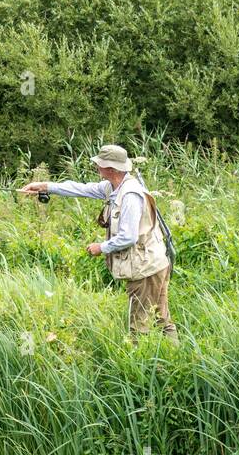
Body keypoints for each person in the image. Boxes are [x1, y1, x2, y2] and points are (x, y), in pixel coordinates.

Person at [19, 144, 177, 339]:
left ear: (110, 169)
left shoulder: (130, 195)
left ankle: (141, 365)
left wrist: (100, 248)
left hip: (145, 270)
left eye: (99, 164)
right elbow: (82, 189)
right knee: (162, 320)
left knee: (139, 326)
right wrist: (45, 186)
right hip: (154, 263)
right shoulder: (114, 186)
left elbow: (129, 237)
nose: (96, 167)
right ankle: (173, 356)